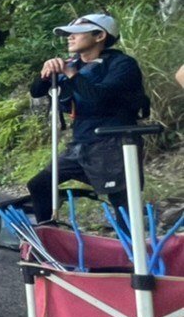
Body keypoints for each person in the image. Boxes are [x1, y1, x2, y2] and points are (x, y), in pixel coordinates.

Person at [26, 13, 150, 222]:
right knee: (39, 183)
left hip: (113, 143)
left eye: (76, 34)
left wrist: (71, 73)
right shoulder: (73, 63)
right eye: (68, 34)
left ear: (100, 35)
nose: (69, 38)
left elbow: (97, 97)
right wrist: (45, 72)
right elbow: (37, 91)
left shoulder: (122, 65)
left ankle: (133, 249)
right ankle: (48, 235)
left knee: (121, 200)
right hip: (81, 142)